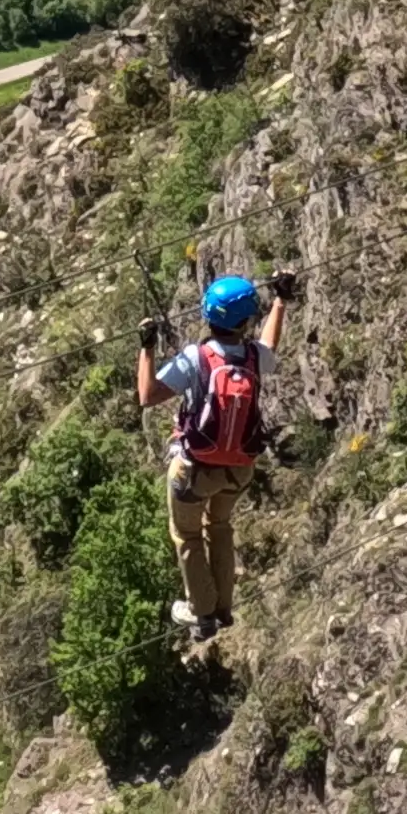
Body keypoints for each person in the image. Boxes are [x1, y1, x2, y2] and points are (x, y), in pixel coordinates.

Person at [144, 269, 283, 640]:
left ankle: (200, 613)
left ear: (209, 315)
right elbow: (271, 346)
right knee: (218, 527)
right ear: (246, 320)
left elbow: (148, 395)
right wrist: (281, 301)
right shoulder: (253, 357)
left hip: (196, 469)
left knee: (186, 535)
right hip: (239, 468)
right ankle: (223, 608)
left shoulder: (197, 358)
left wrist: (146, 347)